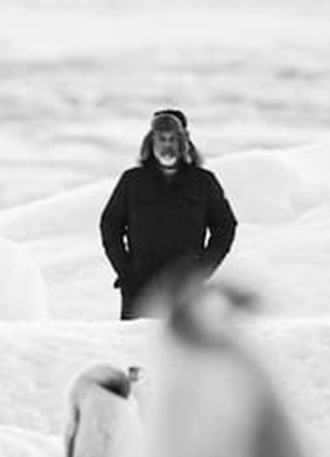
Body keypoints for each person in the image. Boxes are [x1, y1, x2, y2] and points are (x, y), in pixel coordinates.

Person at [99, 109, 237, 320]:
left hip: (185, 288)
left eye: (173, 139)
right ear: (150, 143)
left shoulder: (203, 182)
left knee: (182, 350)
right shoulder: (132, 181)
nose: (167, 146)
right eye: (161, 139)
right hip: (140, 288)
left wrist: (202, 270)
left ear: (184, 143)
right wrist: (126, 271)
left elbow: (225, 226)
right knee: (134, 348)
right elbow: (110, 225)